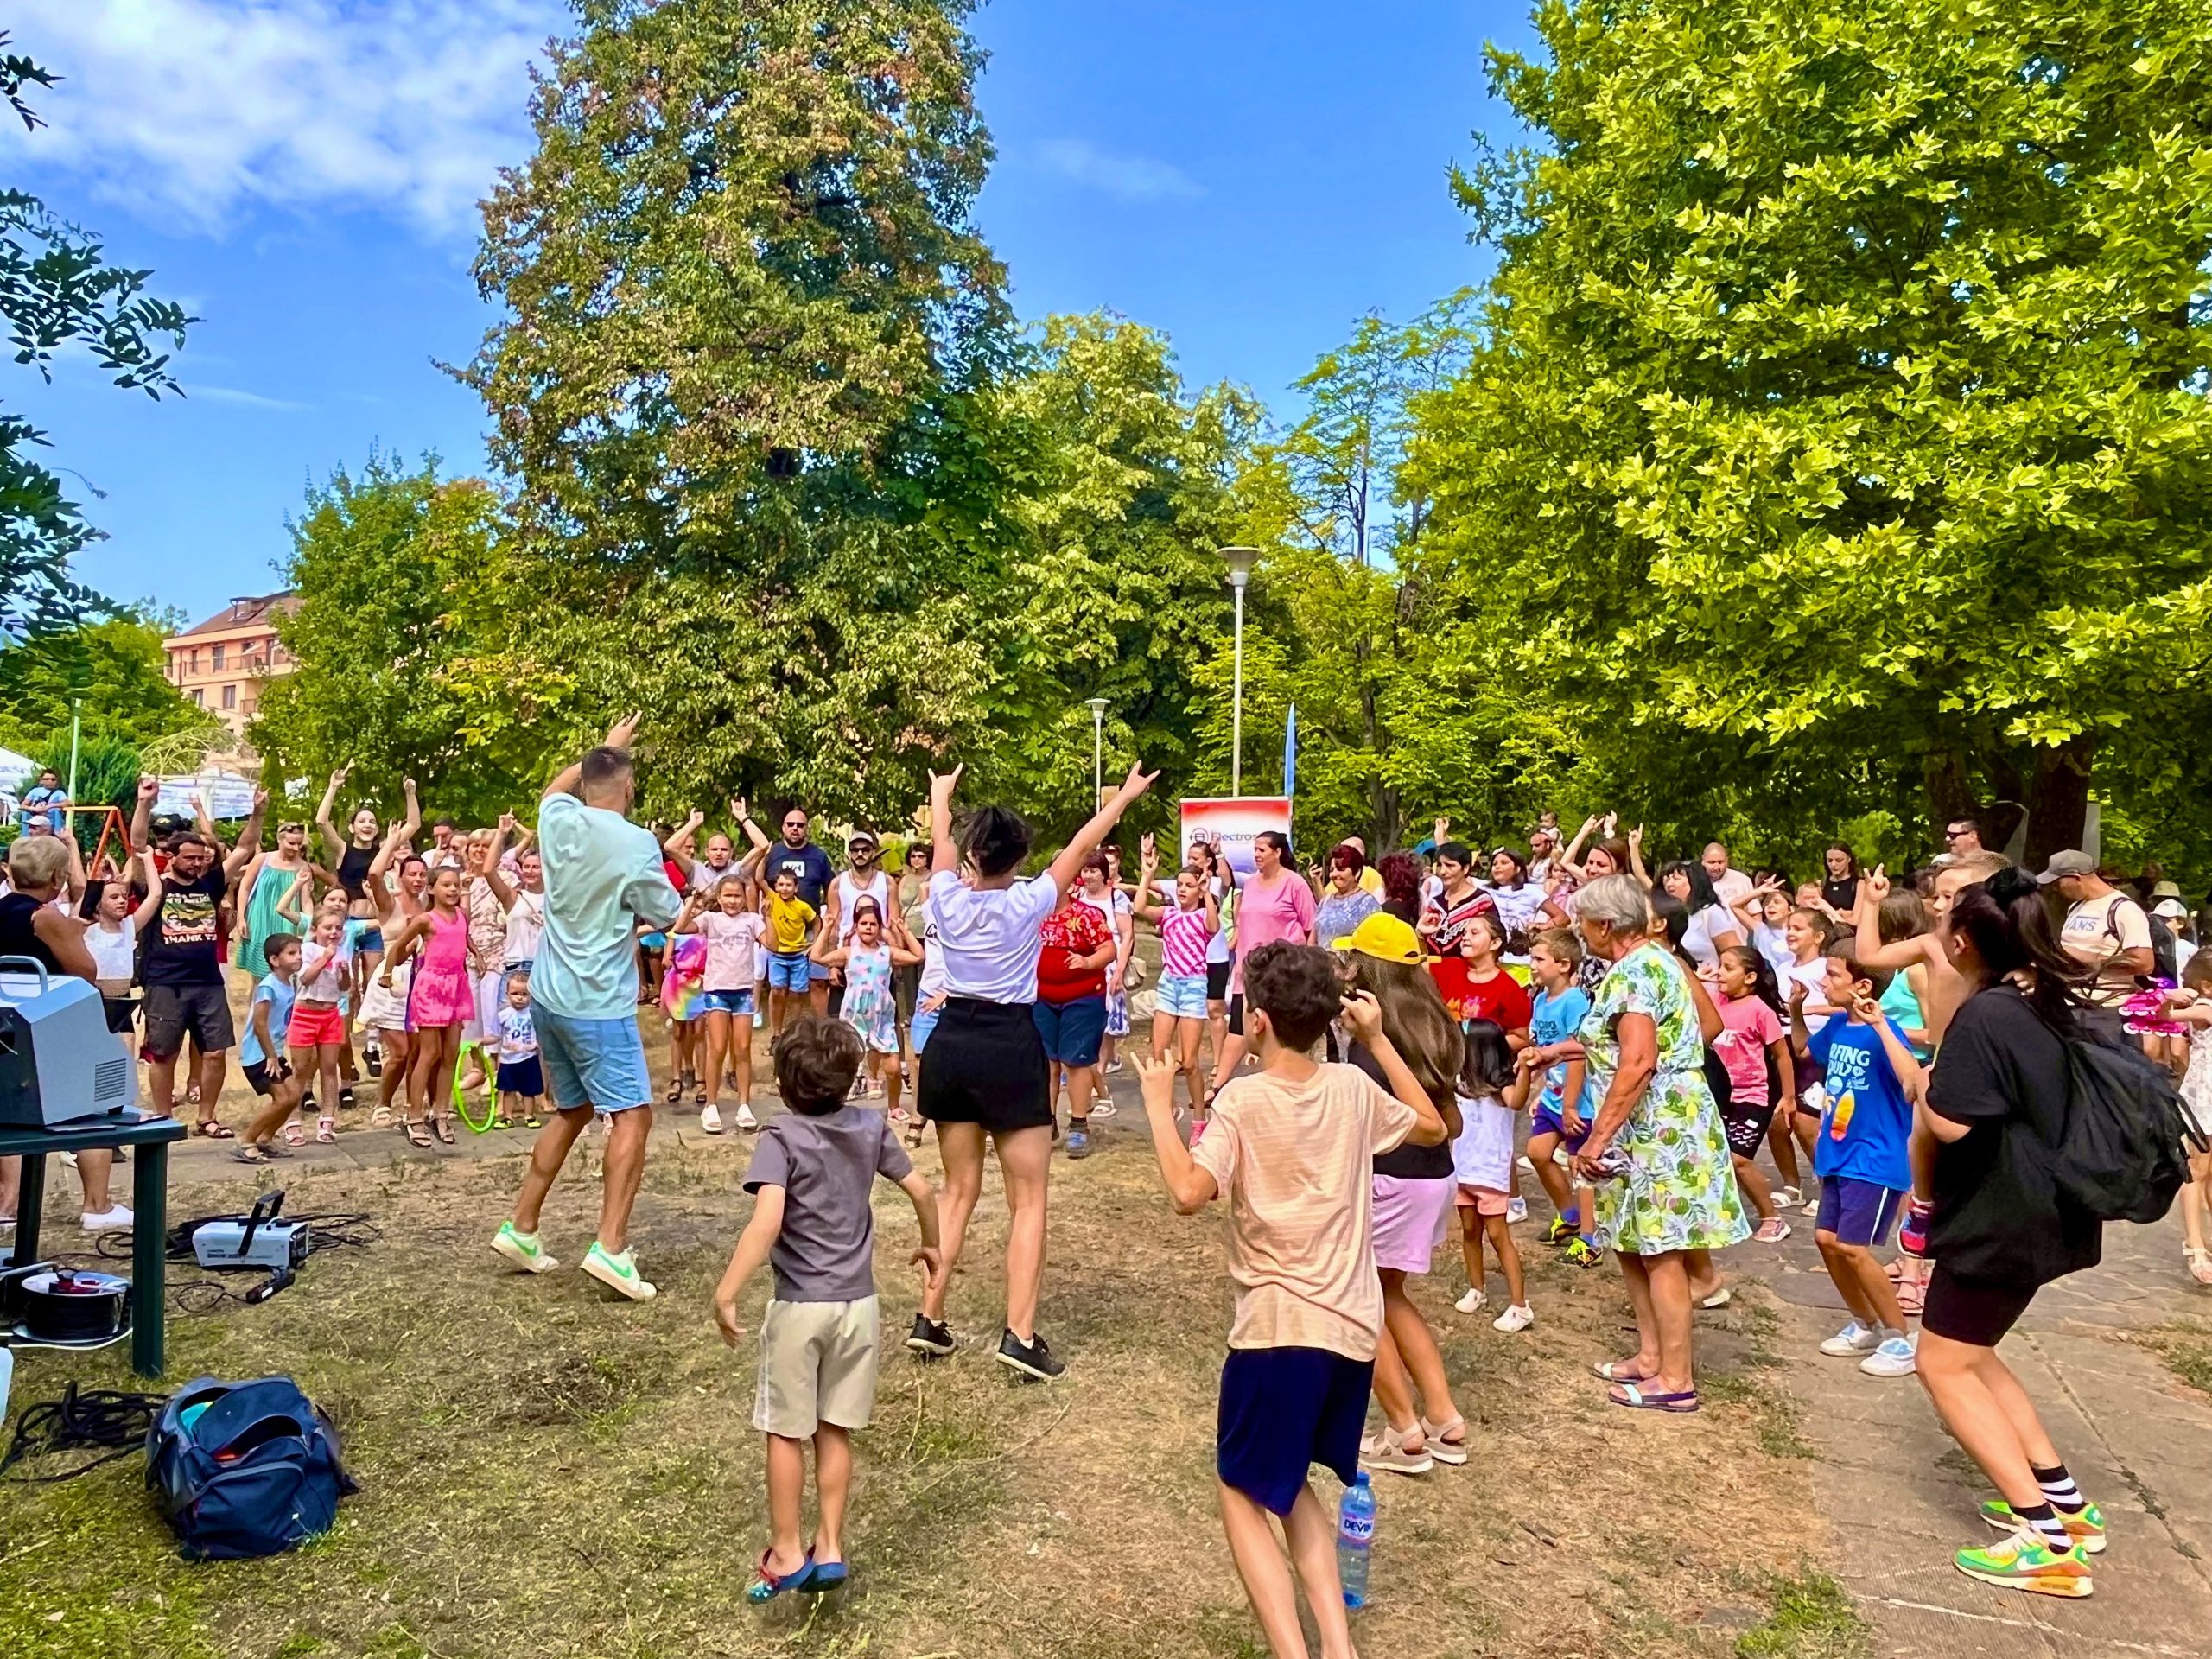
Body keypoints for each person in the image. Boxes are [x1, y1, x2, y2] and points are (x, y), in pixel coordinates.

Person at [1130, 946, 1447, 1659]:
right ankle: (1338, 1648)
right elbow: (1432, 1127)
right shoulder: (1352, 1088)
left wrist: (1158, 1107)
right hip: (1352, 1329)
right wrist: (1376, 1040)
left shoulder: (1243, 1098)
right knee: (1291, 1479)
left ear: (1260, 1021)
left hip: (1278, 1327)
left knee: (1241, 1488)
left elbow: (1188, 1192)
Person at [906, 760, 1155, 1381]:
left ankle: (929, 1319)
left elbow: (940, 844)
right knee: (1030, 1199)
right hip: (1010, 1043)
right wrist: (1123, 796)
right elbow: (1082, 843)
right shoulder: (1032, 898)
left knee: (957, 1190)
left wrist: (940, 796)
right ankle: (1019, 1335)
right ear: (1018, 857)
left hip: (952, 1041)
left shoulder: (944, 894)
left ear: (972, 854)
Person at [1906, 866, 2106, 1597]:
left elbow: (1953, 1122)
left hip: (2000, 1216)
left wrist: (1923, 1083)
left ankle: (2045, 1543)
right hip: (2048, 1208)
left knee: (1942, 1363)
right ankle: (2066, 1508)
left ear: (1962, 943)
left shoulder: (1986, 1014)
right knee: (1976, 1355)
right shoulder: (2044, 999)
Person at [714, 1016, 943, 1603]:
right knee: (834, 1428)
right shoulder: (869, 1128)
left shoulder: (780, 1139)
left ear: (786, 1086)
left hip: (799, 1310)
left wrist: (728, 1290)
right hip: (858, 1307)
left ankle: (788, 1549)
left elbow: (767, 1220)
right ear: (849, 1080)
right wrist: (931, 1246)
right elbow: (920, 1189)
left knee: (785, 1431)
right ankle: (831, 1545)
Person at [492, 714, 682, 1301]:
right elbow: (667, 910)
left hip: (548, 993)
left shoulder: (559, 819)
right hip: (598, 1003)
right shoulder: (636, 842)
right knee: (632, 1115)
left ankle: (522, 1228)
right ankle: (611, 1247)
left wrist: (605, 747)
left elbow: (554, 787)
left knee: (572, 1109)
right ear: (629, 788)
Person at [1556, 874, 1749, 1410]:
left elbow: (1638, 1061)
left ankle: (1676, 1379)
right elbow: (1667, 1036)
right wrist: (1564, 1053)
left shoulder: (1636, 972)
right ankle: (1650, 1358)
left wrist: (1597, 1139)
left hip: (1656, 1126)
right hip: (1656, 1118)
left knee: (1661, 1249)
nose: (1579, 931)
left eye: (1583, 923)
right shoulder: (1658, 960)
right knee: (1631, 1243)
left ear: (1607, 925)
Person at [1339, 914, 1471, 1476]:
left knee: (1356, 1301)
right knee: (1390, 1294)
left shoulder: (1376, 1042)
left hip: (1390, 1177)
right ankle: (1444, 1419)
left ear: (1371, 970)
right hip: (1433, 1177)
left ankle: (1403, 1430)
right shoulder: (1435, 1022)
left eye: (1353, 960)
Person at [1789, 944, 1923, 1378]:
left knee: (1853, 1247)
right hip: (1838, 1154)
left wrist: (1882, 1024)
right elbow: (1805, 1052)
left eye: (1833, 975)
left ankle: (1900, 1338)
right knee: (1827, 1241)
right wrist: (1795, 1011)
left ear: (1862, 985)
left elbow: (1910, 1079)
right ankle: (1864, 1323)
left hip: (1874, 1159)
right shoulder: (1840, 1026)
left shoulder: (1883, 1032)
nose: (1825, 982)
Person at [0, 834, 128, 1229]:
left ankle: (6, 1205)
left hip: (11, 1019)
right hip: (54, 1019)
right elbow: (85, 972)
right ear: (56, 877)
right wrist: (75, 935)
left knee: (11, 1110)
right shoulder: (45, 915)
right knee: (95, 1100)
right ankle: (97, 1204)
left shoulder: (5, 908)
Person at [130, 774, 266, 1137]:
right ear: (171, 857)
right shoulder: (155, 885)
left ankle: (206, 1116)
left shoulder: (210, 882)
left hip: (207, 981)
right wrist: (144, 803)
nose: (196, 863)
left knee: (216, 1052)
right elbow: (138, 842)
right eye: (188, 858)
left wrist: (257, 815)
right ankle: (162, 1120)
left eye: (200, 858)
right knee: (164, 1054)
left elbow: (243, 849)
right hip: (164, 982)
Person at [1209, 831, 1314, 1097]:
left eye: (1262, 850)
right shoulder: (1251, 884)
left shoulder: (1295, 884)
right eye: (1254, 849)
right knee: (1239, 1026)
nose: (1256, 854)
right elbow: (1232, 893)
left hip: (1282, 969)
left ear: (1277, 853)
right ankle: (1217, 1086)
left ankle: (1281, 1086)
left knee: (1275, 1031)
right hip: (1248, 966)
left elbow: (1312, 926)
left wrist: (1308, 964)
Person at [1521, 927, 1599, 1265]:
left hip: (1577, 1101)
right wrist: (1540, 1091)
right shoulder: (1540, 1000)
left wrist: (1570, 1106)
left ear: (1564, 964)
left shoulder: (1575, 1001)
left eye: (1539, 959)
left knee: (1580, 1167)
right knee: (1538, 1152)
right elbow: (1545, 1051)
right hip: (1552, 1097)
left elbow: (1579, 1053)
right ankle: (1570, 1216)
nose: (1532, 965)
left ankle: (1590, 1240)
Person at [1033, 860, 1119, 1160]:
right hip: (1041, 998)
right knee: (1046, 1062)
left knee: (1076, 1061)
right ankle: (1046, 1122)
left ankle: (1079, 1124)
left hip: (1083, 998)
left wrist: (1087, 963)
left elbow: (1109, 949)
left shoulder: (1086, 916)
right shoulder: (1034, 916)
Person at [1710, 945, 1795, 1243]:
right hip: (1720, 1097)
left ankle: (1772, 1217)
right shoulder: (1715, 1002)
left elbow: (1782, 1056)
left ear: (1749, 977)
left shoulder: (1760, 1009)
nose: (1720, 972)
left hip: (1752, 1097)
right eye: (1720, 966)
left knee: (1738, 1160)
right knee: (1714, 1158)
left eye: (1728, 967)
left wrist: (1787, 1097)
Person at [1133, 837, 1219, 1128]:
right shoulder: (1168, 914)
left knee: (1190, 1061)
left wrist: (1206, 893)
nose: (1182, 889)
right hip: (1169, 984)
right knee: (1159, 1055)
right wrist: (1147, 875)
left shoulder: (1201, 916)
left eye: (1188, 885)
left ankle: (1199, 1119)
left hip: (1194, 986)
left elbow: (1213, 926)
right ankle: (1167, 1111)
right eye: (1180, 885)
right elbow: (1140, 906)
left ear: (1198, 888)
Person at [1452, 1018, 1532, 1331]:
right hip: (1463, 1170)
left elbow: (1517, 1101)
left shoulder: (1503, 1085)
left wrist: (1524, 1070)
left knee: (1499, 1236)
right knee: (1469, 1230)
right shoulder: (1459, 1082)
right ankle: (1477, 1289)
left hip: (1490, 1174)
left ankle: (1520, 1305)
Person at [677, 874, 770, 1132]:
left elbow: (771, 943)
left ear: (745, 897)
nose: (732, 900)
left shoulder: (752, 920)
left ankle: (744, 1104)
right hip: (717, 991)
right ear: (719, 898)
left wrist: (768, 916)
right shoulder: (711, 919)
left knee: (742, 1048)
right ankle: (711, 1105)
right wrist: (690, 903)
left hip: (743, 992)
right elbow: (680, 929)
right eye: (727, 895)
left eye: (737, 895)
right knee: (716, 1048)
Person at [814, 896, 918, 1114]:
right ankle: (835, 1105)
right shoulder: (848, 952)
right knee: (845, 1061)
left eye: (873, 924)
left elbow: (919, 955)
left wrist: (905, 931)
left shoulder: (887, 953)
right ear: (856, 926)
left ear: (879, 927)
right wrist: (826, 928)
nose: (868, 928)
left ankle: (894, 1107)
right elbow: (817, 957)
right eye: (864, 923)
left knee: (892, 1068)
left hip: (882, 1016)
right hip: (855, 1015)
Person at [2040, 851, 2152, 1011]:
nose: (2055, 889)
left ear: (2075, 876)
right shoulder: (2075, 907)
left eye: (2057, 882)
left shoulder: (2124, 909)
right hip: (2068, 1001)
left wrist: (2084, 960)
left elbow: (2144, 964)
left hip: (2105, 1008)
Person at [1416, 840, 1502, 1021]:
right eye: (1439, 865)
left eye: (1450, 865)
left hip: (1469, 979)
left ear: (1465, 868)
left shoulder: (1481, 901)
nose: (1443, 871)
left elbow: (1494, 940)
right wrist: (1420, 932)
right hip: (1435, 978)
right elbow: (1426, 947)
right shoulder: (1435, 903)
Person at [761, 808, 836, 1014]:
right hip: (779, 926)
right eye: (791, 824)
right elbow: (760, 884)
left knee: (817, 981)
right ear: (783, 827)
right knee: (779, 988)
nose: (795, 829)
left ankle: (822, 1029)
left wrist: (830, 923)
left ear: (806, 829)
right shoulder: (773, 853)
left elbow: (831, 888)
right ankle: (779, 1034)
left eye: (800, 825)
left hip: (812, 926)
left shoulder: (819, 856)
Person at [288, 911, 353, 1145]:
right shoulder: (307, 950)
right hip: (305, 1012)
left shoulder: (343, 951)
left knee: (329, 1067)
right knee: (300, 1068)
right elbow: (305, 979)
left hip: (330, 1013)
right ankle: (293, 1121)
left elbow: (345, 988)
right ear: (315, 930)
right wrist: (326, 957)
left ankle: (327, 1119)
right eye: (328, 928)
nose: (334, 932)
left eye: (338, 928)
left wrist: (344, 973)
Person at [761, 869, 817, 1038]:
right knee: (778, 991)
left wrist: (814, 943)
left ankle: (794, 1031)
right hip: (777, 954)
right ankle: (776, 1033)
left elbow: (816, 922)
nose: (784, 888)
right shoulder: (772, 898)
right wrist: (764, 854)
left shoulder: (803, 907)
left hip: (798, 955)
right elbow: (759, 878)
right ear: (776, 887)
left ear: (796, 888)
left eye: (789, 885)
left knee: (797, 994)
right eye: (781, 884)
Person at [493, 971, 545, 1131]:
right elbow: (496, 1035)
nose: (520, 997)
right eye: (515, 993)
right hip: (509, 1059)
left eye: (524, 994)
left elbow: (542, 1031)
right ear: (507, 994)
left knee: (528, 1091)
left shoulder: (534, 1014)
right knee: (508, 1089)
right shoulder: (503, 1015)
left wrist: (539, 1043)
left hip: (528, 1056)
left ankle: (529, 1115)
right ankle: (507, 1116)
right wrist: (481, 1041)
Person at [1311, 842, 1381, 952]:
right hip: (1320, 966)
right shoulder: (1326, 901)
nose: (1334, 874)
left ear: (1357, 872)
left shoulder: (1368, 904)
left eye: (1341, 869)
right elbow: (1313, 939)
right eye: (1332, 870)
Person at [1700, 842, 1754, 908]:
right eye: (1712, 862)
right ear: (1703, 860)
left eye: (1720, 862)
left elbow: (1755, 912)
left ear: (1727, 860)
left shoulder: (1742, 880)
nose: (1716, 867)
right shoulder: (1693, 881)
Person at [19, 767, 67, 836]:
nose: (50, 781)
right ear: (41, 780)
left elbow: (68, 803)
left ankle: (57, 833)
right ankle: (25, 837)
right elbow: (23, 805)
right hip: (35, 817)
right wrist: (34, 809)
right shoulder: (35, 791)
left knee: (56, 811)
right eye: (47, 779)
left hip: (50, 819)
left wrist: (50, 806)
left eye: (53, 779)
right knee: (25, 814)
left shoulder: (59, 793)